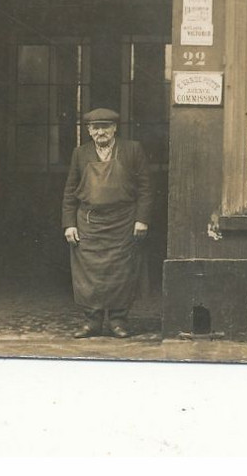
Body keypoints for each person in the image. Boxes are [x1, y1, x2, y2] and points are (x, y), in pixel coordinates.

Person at [61, 108, 153, 339]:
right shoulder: (80, 154)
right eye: (96, 127)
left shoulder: (132, 150)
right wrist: (69, 224)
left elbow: (145, 189)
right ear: (89, 131)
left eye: (105, 126)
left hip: (123, 221)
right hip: (89, 223)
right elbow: (70, 192)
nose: (101, 131)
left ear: (115, 128)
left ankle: (118, 321)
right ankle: (91, 322)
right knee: (89, 275)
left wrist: (142, 219)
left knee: (121, 273)